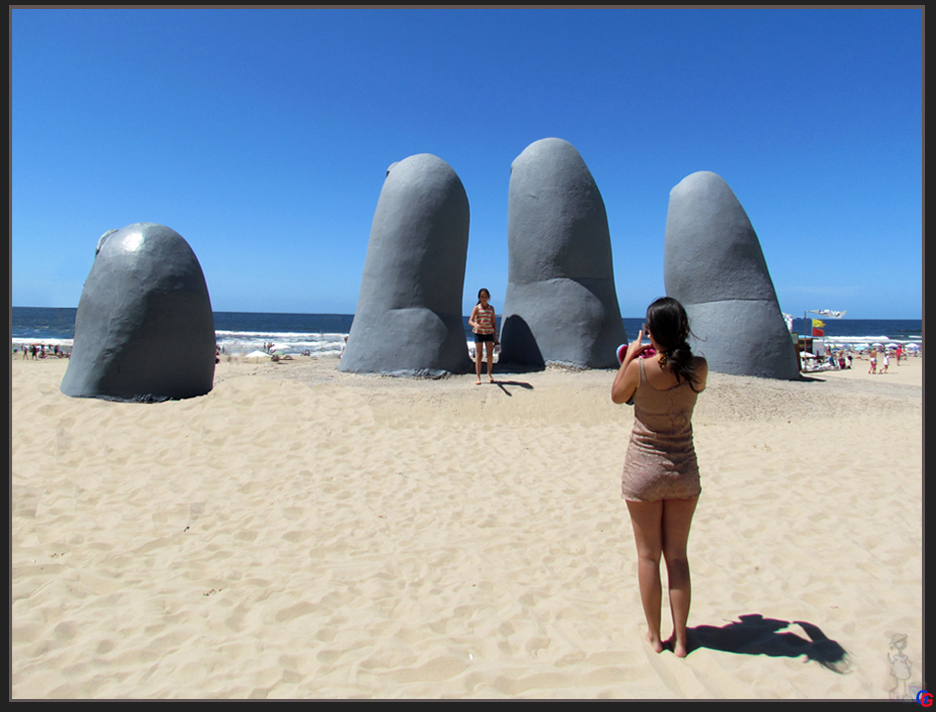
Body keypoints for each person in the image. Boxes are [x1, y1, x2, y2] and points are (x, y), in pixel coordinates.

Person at [611, 297, 708, 658]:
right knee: (677, 558)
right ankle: (682, 640)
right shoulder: (699, 367)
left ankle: (655, 637)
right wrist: (659, 352)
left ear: (651, 331)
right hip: (683, 471)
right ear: (683, 328)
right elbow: (675, 364)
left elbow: (616, 397)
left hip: (643, 471)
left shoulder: (639, 369)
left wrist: (631, 356)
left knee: (648, 557)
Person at [468, 288, 498, 385]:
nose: (484, 298)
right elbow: (470, 321)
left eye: (485, 297)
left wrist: (495, 337)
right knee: (479, 355)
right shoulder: (477, 308)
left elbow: (494, 323)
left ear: (488, 297)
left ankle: (489, 374)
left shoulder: (491, 309)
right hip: (479, 333)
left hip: (489, 333)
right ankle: (478, 377)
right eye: (482, 297)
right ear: (479, 298)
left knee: (489, 355)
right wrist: (475, 325)